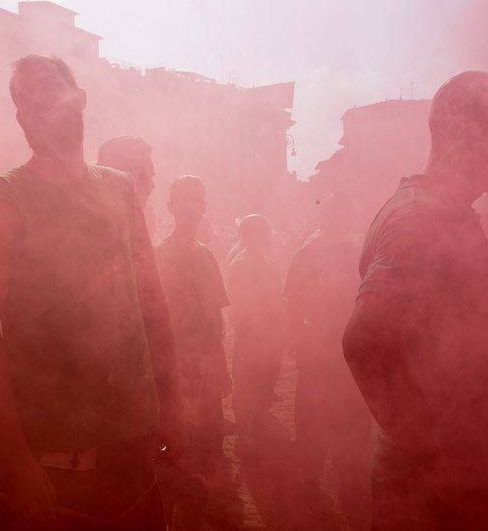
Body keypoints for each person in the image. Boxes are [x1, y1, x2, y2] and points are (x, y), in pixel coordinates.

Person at [0, 55, 181, 530]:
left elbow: (151, 303)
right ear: (20, 117)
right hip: (50, 453)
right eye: (24, 97)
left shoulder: (121, 190)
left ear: (80, 99)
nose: (37, 100)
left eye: (46, 86)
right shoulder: (1, 201)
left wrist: (171, 405)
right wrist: (17, 459)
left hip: (130, 444)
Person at [343, 71, 488, 529]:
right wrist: (449, 469)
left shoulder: (438, 211)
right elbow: (364, 344)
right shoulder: (422, 219)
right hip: (440, 505)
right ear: (478, 134)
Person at [283, 193, 370, 517]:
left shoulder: (357, 250)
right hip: (320, 347)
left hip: (350, 347)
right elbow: (292, 304)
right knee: (313, 419)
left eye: (344, 213)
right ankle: (311, 482)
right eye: (336, 213)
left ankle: (351, 477)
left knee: (353, 416)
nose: (341, 219)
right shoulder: (307, 252)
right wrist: (301, 345)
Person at [153, 175, 232, 528]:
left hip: (207, 374)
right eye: (183, 200)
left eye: (197, 200)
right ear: (171, 206)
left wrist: (222, 371)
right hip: (174, 375)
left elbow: (216, 320)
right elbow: (152, 325)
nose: (191, 208)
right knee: (172, 458)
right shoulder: (159, 256)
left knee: (205, 453)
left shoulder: (207, 256)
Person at [226, 213, 286, 443]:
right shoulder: (240, 264)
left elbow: (277, 300)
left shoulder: (268, 264)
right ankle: (244, 428)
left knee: (265, 379)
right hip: (251, 336)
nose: (261, 237)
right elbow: (240, 306)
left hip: (268, 337)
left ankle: (258, 419)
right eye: (256, 233)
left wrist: (279, 331)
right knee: (246, 380)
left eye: (263, 232)